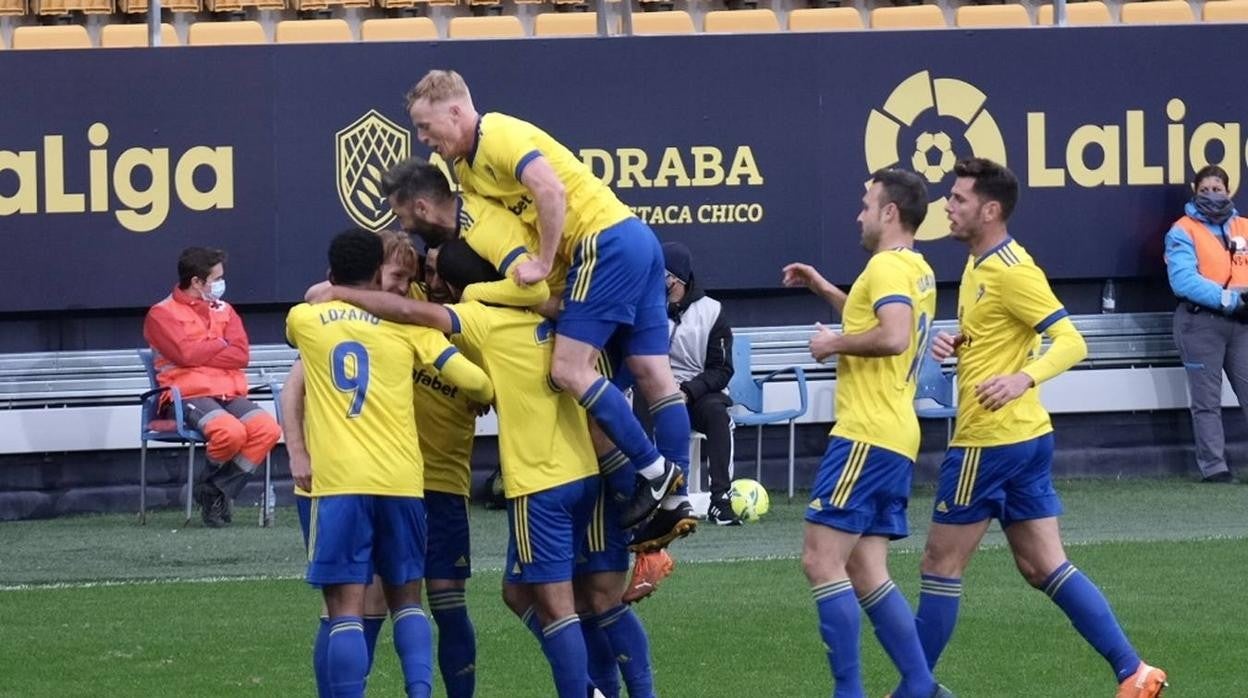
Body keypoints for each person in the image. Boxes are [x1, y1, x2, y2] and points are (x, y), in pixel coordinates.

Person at [404, 70, 694, 545]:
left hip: (603, 243)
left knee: (568, 370)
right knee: (652, 373)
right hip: (636, 237)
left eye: (425, 126)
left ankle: (656, 471)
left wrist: (541, 262)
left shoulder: (497, 134)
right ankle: (677, 497)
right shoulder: (464, 171)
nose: (424, 139)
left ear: (455, 112)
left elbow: (550, 190)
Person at [914, 158, 1166, 698]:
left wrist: (1022, 378)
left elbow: (1073, 341)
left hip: (989, 442)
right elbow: (1000, 330)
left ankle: (913, 689)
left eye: (958, 199)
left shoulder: (1011, 269)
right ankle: (1135, 672)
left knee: (940, 563)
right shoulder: (980, 263)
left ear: (990, 209)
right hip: (1026, 440)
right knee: (1042, 564)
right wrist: (962, 344)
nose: (948, 206)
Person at [286, 229, 494, 698]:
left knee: (344, 609)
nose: (408, 286)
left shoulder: (307, 318)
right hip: (403, 481)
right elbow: (479, 384)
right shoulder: (411, 328)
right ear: (376, 272)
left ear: (333, 274)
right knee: (407, 602)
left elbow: (306, 321)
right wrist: (480, 395)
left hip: (342, 482)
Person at [782, 168, 949, 698]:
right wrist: (827, 289)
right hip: (896, 436)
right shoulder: (915, 268)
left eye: (865, 203)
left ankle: (848, 692)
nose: (858, 213)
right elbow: (879, 317)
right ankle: (921, 684)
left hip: (865, 433)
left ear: (889, 212)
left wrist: (831, 345)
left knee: (820, 560)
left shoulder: (883, 267)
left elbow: (894, 336)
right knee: (867, 569)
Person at [143, 246, 281, 527]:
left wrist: (202, 351)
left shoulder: (225, 310)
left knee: (268, 429)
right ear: (196, 281)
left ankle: (214, 489)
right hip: (185, 395)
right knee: (229, 432)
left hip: (229, 392)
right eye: (216, 278)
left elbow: (241, 354)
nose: (221, 283)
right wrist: (220, 344)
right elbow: (184, 355)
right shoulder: (161, 313)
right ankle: (215, 493)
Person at [1164, 164, 1248, 484]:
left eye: (1218, 188)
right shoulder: (1182, 230)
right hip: (1201, 323)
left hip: (1242, 325)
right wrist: (1230, 301)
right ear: (1194, 190)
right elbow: (1183, 281)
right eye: (1205, 190)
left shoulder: (1244, 227)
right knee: (1207, 402)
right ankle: (1215, 468)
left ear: (1230, 191)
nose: (1212, 195)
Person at [659, 241, 740, 526]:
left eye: (662, 273)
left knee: (718, 413)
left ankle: (720, 500)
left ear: (677, 278)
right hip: (656, 389)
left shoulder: (712, 311)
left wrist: (687, 391)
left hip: (697, 393)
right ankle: (648, 495)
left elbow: (722, 369)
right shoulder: (648, 306)